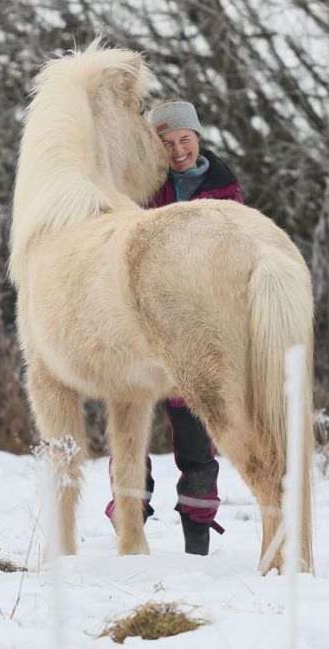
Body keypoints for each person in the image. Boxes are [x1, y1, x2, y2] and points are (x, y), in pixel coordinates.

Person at [104, 99, 243, 556]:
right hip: (139, 325)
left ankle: (196, 541)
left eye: (185, 139)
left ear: (198, 138)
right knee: (129, 436)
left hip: (196, 329)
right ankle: (130, 527)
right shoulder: (143, 186)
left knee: (197, 441)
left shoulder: (223, 189)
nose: (179, 150)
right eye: (167, 143)